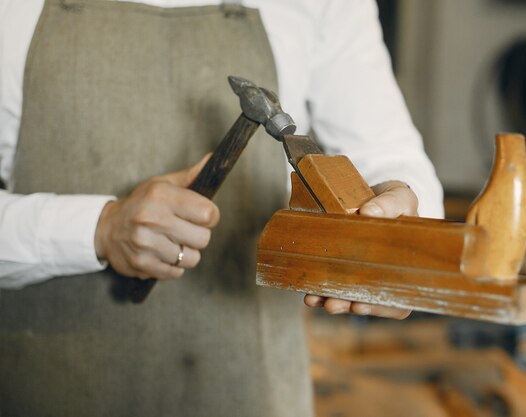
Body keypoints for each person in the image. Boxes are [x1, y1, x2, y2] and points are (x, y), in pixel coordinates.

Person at [0, 0, 443, 416]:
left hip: (252, 390)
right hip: (45, 382)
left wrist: (398, 220)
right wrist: (97, 229)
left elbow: (388, 155)